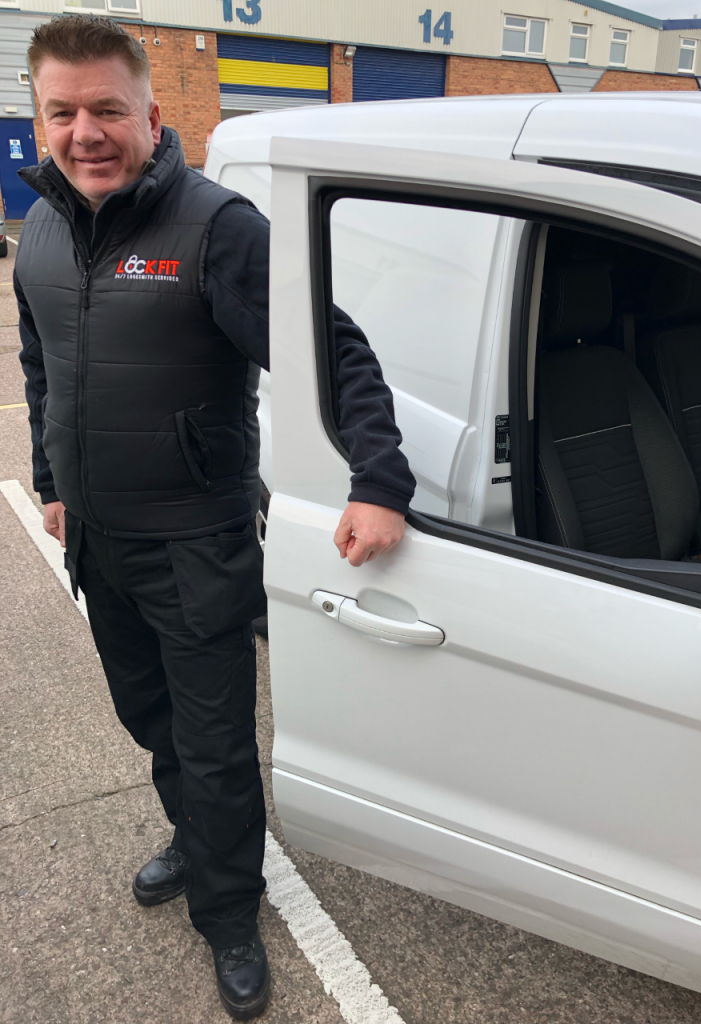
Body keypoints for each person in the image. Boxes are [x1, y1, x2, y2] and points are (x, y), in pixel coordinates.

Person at [16, 15, 416, 1021]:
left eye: (107, 110)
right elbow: (41, 369)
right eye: (62, 112)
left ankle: (230, 910)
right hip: (99, 541)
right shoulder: (43, 234)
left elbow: (333, 351)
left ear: (152, 115)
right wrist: (51, 481)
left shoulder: (216, 229)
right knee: (151, 720)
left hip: (196, 541)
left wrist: (379, 479)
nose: (85, 132)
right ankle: (199, 841)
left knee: (215, 743)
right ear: (38, 119)